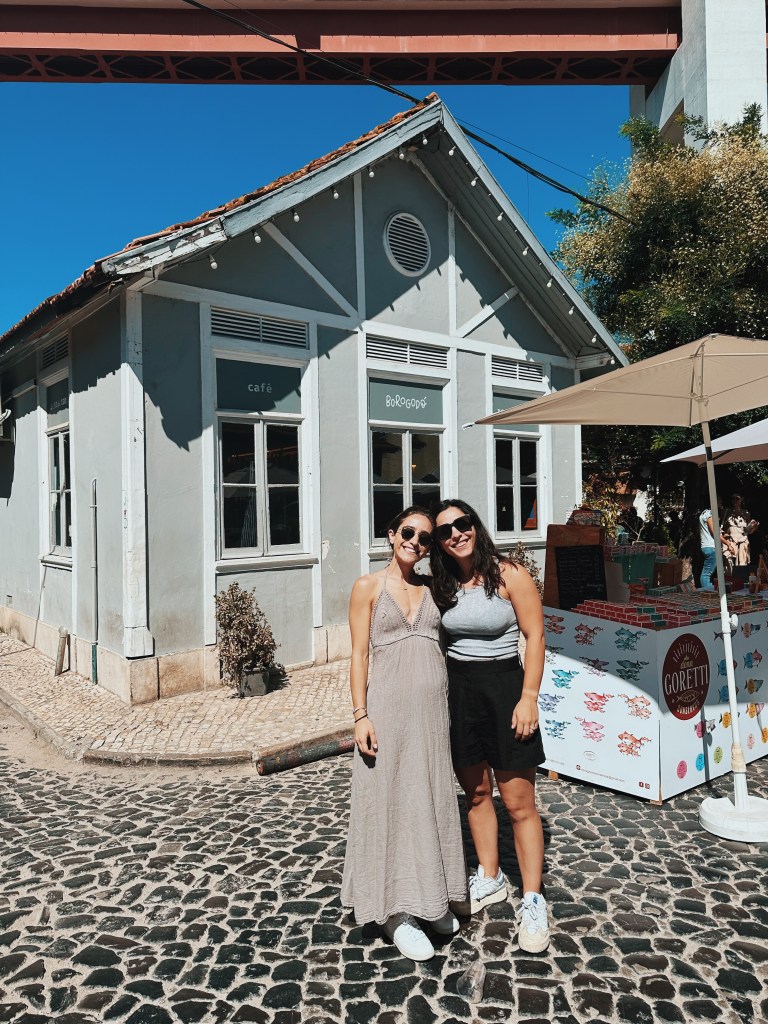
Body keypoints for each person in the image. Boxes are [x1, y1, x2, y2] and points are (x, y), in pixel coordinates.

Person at [340, 506, 467, 962]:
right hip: (388, 711)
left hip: (432, 713)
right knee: (390, 799)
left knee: (428, 797)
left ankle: (431, 896)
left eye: (426, 537)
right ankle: (396, 912)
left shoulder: (433, 588)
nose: (416, 541)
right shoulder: (368, 587)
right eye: (408, 532)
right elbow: (358, 655)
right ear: (392, 534)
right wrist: (360, 715)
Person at [429, 499, 550, 954]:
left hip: (505, 689)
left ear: (475, 526)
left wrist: (529, 697)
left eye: (462, 524)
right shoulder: (442, 584)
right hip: (460, 693)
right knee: (477, 793)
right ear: (439, 543)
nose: (455, 534)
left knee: (519, 804)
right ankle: (491, 876)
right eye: (445, 531)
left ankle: (533, 899)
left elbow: (535, 635)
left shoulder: (509, 574)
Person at [699, 499, 730, 589]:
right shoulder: (709, 515)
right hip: (711, 547)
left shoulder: (704, 513)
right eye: (719, 501)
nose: (721, 503)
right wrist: (728, 544)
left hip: (708, 547)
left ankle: (708, 590)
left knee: (708, 573)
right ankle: (707, 591)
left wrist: (723, 534)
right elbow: (715, 533)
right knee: (706, 574)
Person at [723, 494, 759, 568]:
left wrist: (755, 527)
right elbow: (723, 528)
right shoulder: (727, 512)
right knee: (728, 564)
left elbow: (748, 531)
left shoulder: (746, 513)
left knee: (742, 564)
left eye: (737, 498)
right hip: (730, 540)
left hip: (743, 540)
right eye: (733, 498)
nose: (735, 500)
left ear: (741, 499)